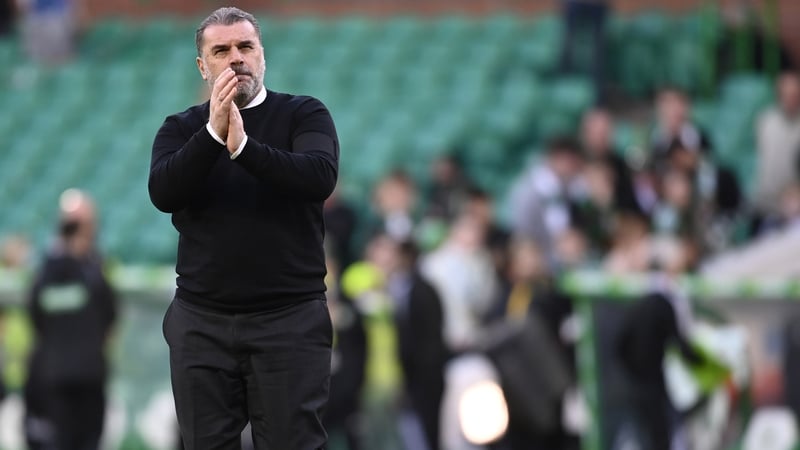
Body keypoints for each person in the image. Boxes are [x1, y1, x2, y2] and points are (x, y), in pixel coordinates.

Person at [148, 7, 338, 449]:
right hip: (202, 323)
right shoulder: (180, 128)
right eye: (221, 50)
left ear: (262, 56)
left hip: (288, 320)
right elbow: (163, 192)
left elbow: (318, 176)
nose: (236, 58)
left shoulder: (303, 113)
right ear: (202, 65)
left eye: (245, 47)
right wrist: (214, 135)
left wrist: (245, 149)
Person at [26, 189, 117, 450]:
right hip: (67, 375)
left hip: (72, 374)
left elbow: (36, 316)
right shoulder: (93, 271)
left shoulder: (48, 271)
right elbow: (110, 316)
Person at [754, 71, 800, 216]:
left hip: (794, 203)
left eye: (795, 94)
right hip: (766, 201)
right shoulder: (765, 121)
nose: (790, 98)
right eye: (786, 93)